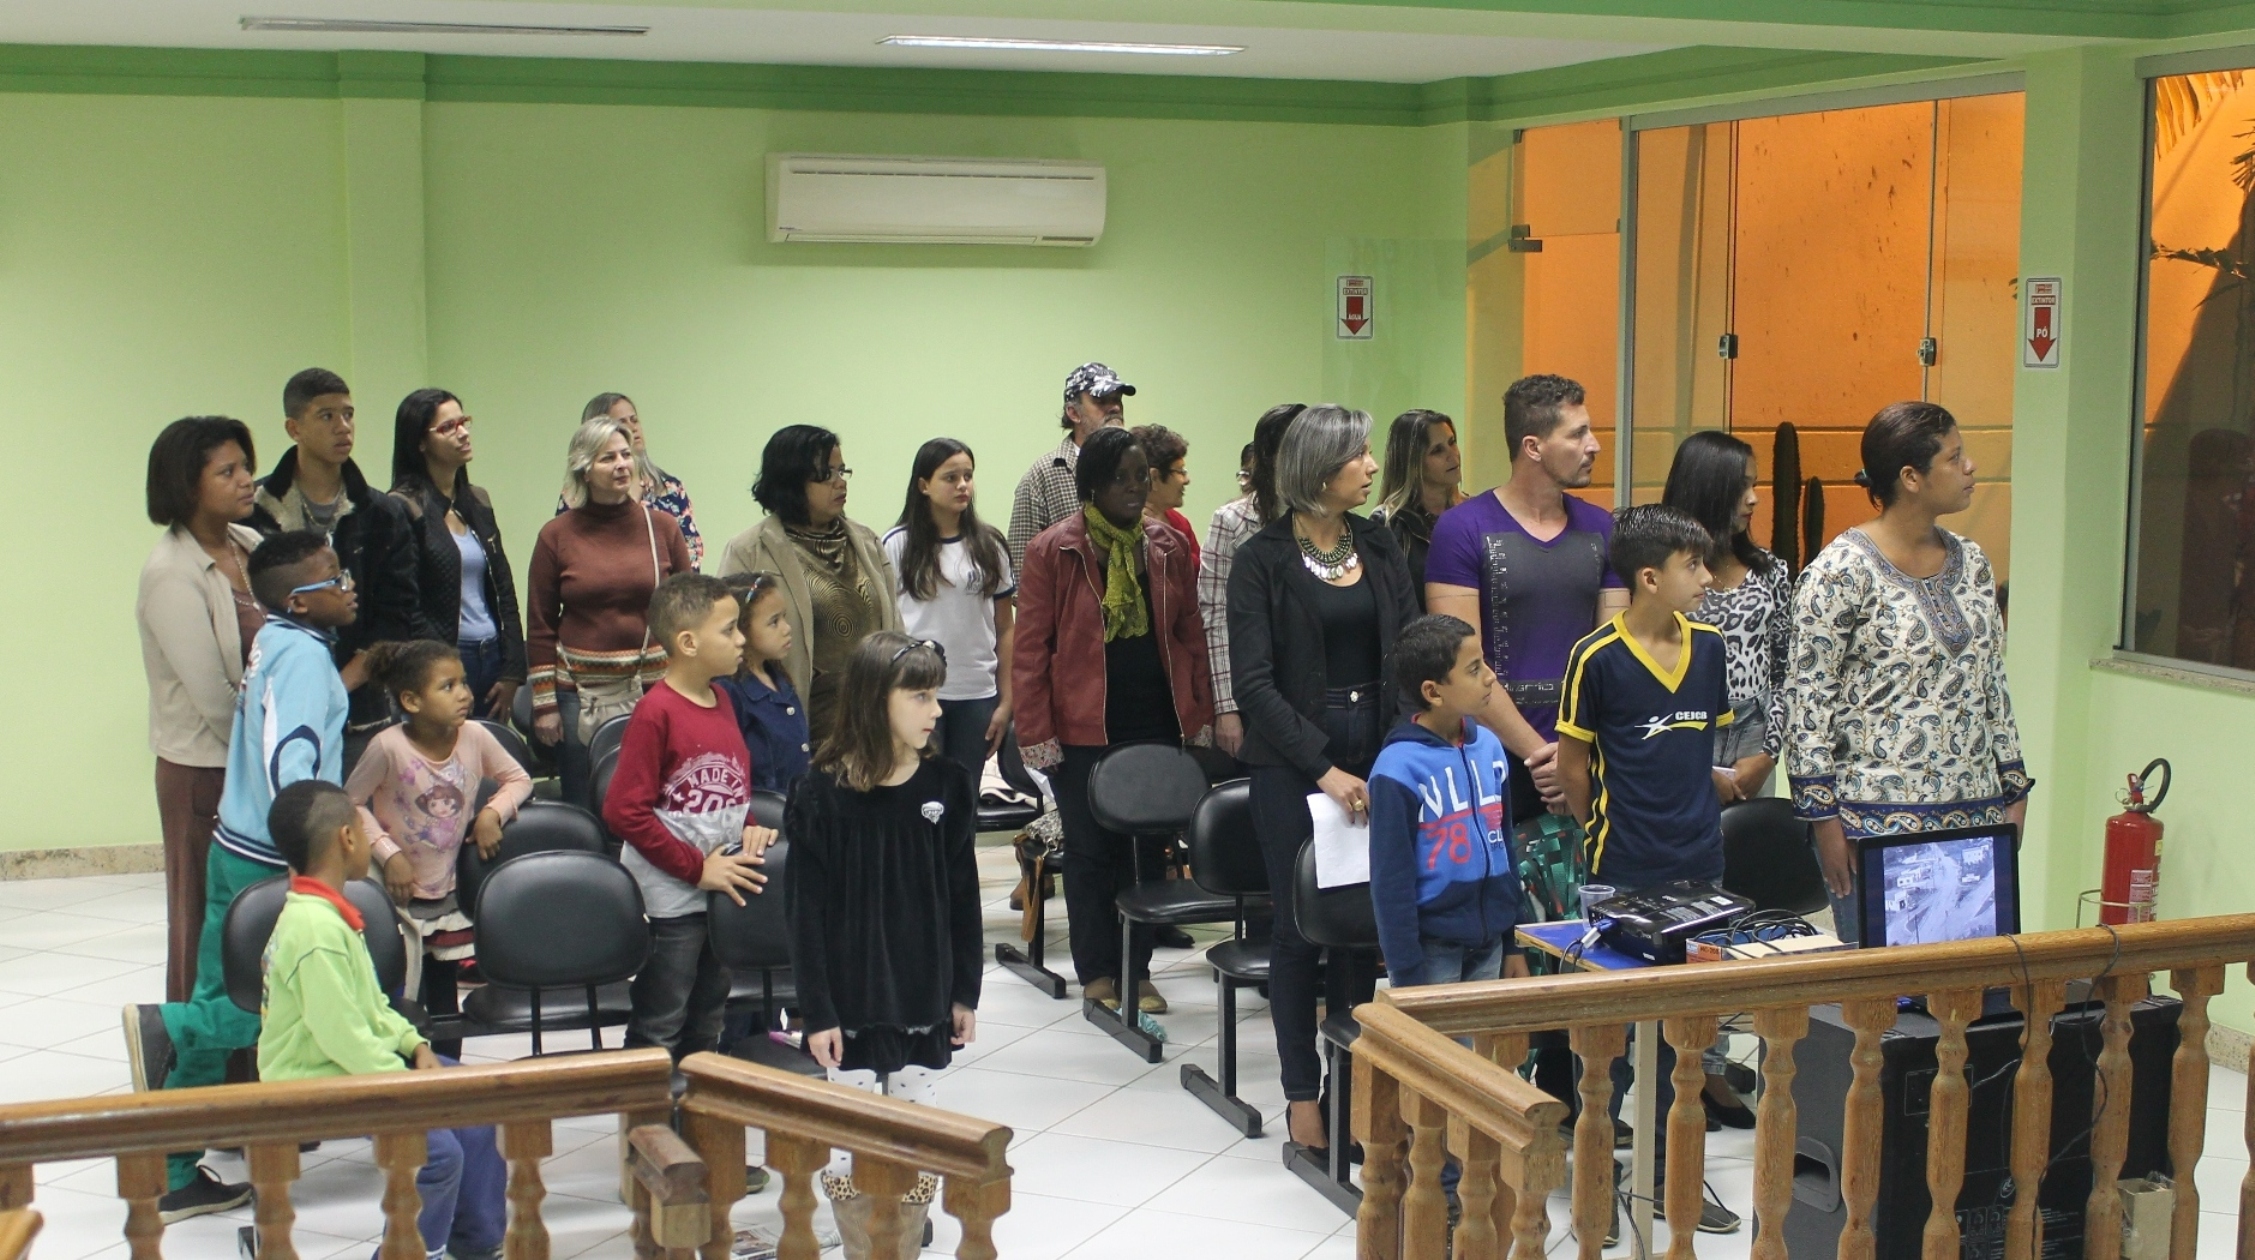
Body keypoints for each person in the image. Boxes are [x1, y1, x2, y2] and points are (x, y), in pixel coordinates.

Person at [123, 530, 359, 1220]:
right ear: (299, 600)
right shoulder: (304, 659)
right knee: (254, 1000)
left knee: (235, 990)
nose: (348, 587)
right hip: (269, 858)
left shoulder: (280, 640)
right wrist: (310, 858)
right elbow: (292, 758)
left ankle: (173, 1171)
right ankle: (172, 1028)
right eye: (334, 578)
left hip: (239, 844)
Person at [1225, 405, 1417, 1151]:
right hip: (1293, 763)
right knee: (1301, 930)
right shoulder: (1262, 558)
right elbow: (1254, 683)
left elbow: (1408, 650)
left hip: (1377, 748)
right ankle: (1302, 1096)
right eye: (1357, 455)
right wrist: (1324, 768)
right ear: (1319, 468)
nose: (1371, 466)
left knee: (1361, 929)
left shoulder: (1376, 541)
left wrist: (1393, 750)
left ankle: (1353, 1086)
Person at [1554, 505, 1742, 1236]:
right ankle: (1595, 1183)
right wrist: (1603, 832)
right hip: (1622, 871)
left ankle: (1666, 1179)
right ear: (1649, 578)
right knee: (1607, 1043)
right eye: (1692, 566)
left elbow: (1704, 756)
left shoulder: (1710, 648)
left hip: (1701, 871)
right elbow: (1573, 768)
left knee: (1683, 1040)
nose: (1707, 578)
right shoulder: (1595, 657)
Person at [1783, 401, 2031, 944]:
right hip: (1872, 828)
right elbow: (1805, 707)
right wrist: (1824, 823)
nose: (1970, 468)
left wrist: (2015, 791)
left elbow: (1993, 684)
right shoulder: (1839, 573)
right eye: (1954, 458)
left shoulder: (1973, 562)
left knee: (1972, 983)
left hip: (1974, 821)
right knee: (1886, 990)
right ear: (1911, 478)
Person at [786, 633, 982, 1257]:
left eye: (936, 695)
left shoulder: (948, 784)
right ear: (876, 700)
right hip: (849, 997)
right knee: (851, 1138)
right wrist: (817, 1011)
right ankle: (862, 1245)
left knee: (916, 1130)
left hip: (925, 991)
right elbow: (804, 914)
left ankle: (901, 1238)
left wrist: (965, 992)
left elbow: (964, 898)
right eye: (920, 696)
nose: (936, 710)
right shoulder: (820, 793)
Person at [256, 779, 507, 1260]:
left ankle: (477, 1246)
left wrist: (415, 1046)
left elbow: (372, 1008)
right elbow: (343, 1036)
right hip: (314, 1079)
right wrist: (406, 1083)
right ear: (348, 838)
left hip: (357, 1065)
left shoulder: (330, 912)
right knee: (436, 1155)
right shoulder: (314, 929)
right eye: (363, 827)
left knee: (478, 1108)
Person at [1014, 426, 1212, 1015]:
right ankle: (1098, 971)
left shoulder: (1165, 545)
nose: (1134, 488)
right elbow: (1031, 651)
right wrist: (1037, 733)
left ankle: (1138, 969)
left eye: (1141, 477)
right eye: (1120, 479)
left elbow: (1190, 633)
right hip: (1080, 728)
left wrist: (1198, 710)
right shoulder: (1052, 550)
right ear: (1092, 486)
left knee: (1147, 850)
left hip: (1153, 721)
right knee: (1092, 851)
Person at [1426, 374, 1627, 821]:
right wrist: (1544, 758)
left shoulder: (1603, 529)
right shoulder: (1462, 529)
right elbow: (1461, 663)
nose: (1594, 445)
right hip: (1489, 757)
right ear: (1533, 447)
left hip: (1588, 754)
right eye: (1577, 434)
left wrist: (1574, 760)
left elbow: (1614, 654)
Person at [602, 574, 774, 1061]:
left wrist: (749, 826)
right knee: (660, 1023)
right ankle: (647, 1113)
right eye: (729, 630)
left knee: (707, 1021)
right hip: (672, 903)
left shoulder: (723, 700)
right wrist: (696, 869)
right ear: (688, 643)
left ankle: (698, 1109)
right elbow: (623, 811)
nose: (741, 640)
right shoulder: (655, 712)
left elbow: (724, 786)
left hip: (719, 895)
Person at [345, 640, 534, 1045]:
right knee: (402, 998)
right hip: (398, 893)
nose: (464, 694)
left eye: (463, 683)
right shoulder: (387, 747)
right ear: (411, 701)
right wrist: (389, 854)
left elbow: (519, 780)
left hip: (448, 891)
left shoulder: (475, 736)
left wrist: (492, 813)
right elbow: (352, 803)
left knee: (445, 1003)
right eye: (448, 686)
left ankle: (448, 1067)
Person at [139, 416, 265, 1005]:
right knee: (203, 917)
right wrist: (265, 756)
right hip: (205, 770)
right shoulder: (170, 571)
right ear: (187, 486)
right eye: (227, 471)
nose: (246, 480)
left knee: (256, 914)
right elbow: (214, 696)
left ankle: (256, 1047)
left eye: (246, 466)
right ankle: (194, 1047)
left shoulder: (251, 546)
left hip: (258, 761)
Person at [247, 368, 426, 770]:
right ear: (294, 428)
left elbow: (396, 615)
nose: (343, 427)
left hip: (361, 707)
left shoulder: (382, 513)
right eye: (326, 416)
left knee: (356, 805)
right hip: (277, 697)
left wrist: (337, 685)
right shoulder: (257, 510)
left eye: (348, 414)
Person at [526, 415, 696, 805]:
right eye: (607, 458)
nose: (621, 464)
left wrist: (692, 685)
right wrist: (545, 705)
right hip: (579, 694)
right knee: (585, 800)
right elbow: (539, 624)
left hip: (655, 689)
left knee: (657, 798)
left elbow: (689, 612)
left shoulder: (663, 528)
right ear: (584, 469)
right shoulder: (556, 535)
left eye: (625, 455)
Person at [1367, 614, 1526, 992]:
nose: (1490, 677)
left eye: (1484, 662)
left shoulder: (1489, 747)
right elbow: (1390, 883)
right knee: (1434, 1034)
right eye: (1474, 669)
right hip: (1431, 950)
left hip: (1491, 941)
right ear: (1433, 692)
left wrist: (1513, 941)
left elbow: (1504, 846)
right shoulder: (1397, 768)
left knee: (1481, 1034)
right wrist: (1407, 975)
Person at [717, 426, 903, 747]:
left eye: (841, 471)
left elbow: (895, 629)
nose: (840, 482)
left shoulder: (867, 542)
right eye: (825, 474)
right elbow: (729, 641)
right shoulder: (749, 550)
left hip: (873, 728)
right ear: (791, 481)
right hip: (795, 728)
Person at [1663, 431, 1790, 802]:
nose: (1753, 498)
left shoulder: (1770, 571)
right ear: (1708, 490)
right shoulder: (1663, 576)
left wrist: (1769, 754)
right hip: (1685, 731)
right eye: (1740, 487)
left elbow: (1786, 672)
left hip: (1755, 731)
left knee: (1752, 836)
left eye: (1755, 484)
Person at [881, 439, 1016, 775]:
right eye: (950, 477)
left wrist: (1007, 700)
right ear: (923, 485)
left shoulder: (990, 544)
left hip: (977, 694)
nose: (962, 485)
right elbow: (883, 630)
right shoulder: (896, 544)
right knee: (919, 793)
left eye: (968, 476)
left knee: (964, 795)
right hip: (916, 691)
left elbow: (1006, 628)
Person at [391, 388, 524, 722]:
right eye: (448, 427)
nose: (463, 432)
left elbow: (503, 587)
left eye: (464, 422)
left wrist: (512, 668)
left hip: (491, 655)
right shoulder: (403, 506)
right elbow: (406, 603)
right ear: (420, 443)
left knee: (490, 750)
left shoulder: (477, 501)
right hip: (445, 660)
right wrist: (444, 667)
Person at [1199, 403, 1305, 760]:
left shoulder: (1327, 518)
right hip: (1252, 687)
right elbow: (1215, 615)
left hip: (1309, 685)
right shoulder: (1232, 521)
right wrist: (1226, 707)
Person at [1006, 362, 1134, 572]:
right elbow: (1022, 567)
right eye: (1101, 401)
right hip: (1067, 592)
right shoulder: (1042, 477)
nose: (1115, 408)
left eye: (1117, 399)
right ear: (1074, 413)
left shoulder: (1136, 469)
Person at [566, 392, 704, 570]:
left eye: (634, 420)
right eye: (621, 422)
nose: (633, 427)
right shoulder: (574, 498)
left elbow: (690, 553)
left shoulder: (669, 488)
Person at [717, 573, 813, 795]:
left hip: (797, 804)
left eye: (784, 617)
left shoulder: (778, 676)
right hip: (763, 810)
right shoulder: (729, 690)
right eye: (773, 622)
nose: (787, 628)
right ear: (742, 629)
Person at [1370, 409, 1466, 606]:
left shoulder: (1475, 512)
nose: (1452, 455)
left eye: (1452, 442)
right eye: (1437, 450)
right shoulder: (1390, 522)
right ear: (1413, 462)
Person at [1133, 423, 1200, 567]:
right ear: (1154, 477)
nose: (1187, 480)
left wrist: (1165, 534)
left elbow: (1199, 574)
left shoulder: (1179, 523)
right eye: (1180, 471)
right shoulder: (1121, 525)